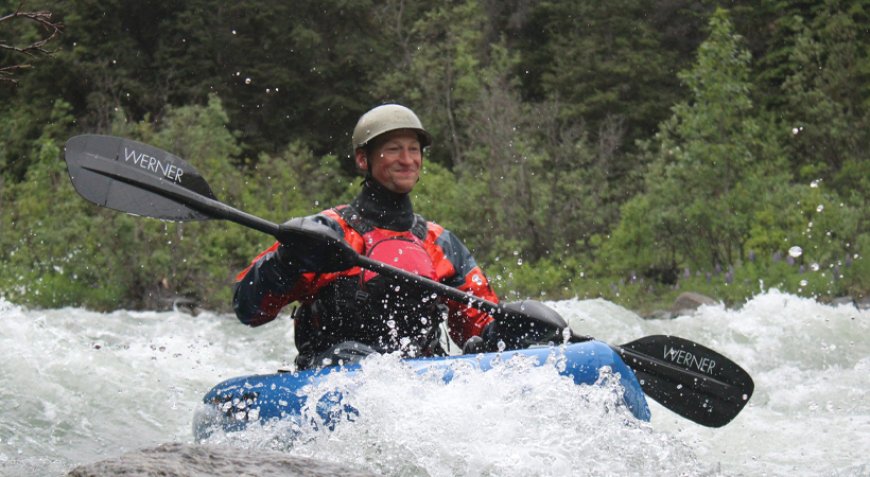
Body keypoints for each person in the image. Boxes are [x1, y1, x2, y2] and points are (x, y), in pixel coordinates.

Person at [233, 104, 503, 370]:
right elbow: (248, 309)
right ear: (363, 159)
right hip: (330, 379)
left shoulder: (439, 242)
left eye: (413, 149)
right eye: (394, 149)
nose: (407, 160)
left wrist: (508, 331)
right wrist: (286, 259)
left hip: (419, 384)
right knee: (349, 356)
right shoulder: (329, 232)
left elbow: (479, 322)